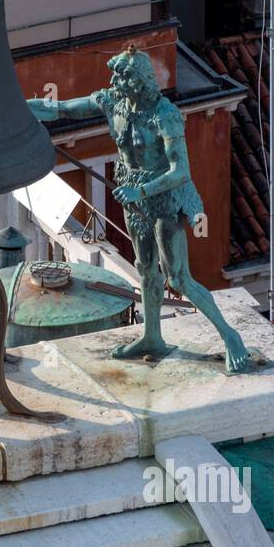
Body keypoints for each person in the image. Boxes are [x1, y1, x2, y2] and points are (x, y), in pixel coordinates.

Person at [27, 47, 250, 373]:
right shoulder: (112, 102)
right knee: (144, 268)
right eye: (115, 76)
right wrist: (22, 108)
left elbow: (180, 171)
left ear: (139, 81)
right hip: (135, 201)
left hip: (163, 200)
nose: (114, 81)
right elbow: (62, 109)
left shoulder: (165, 115)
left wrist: (141, 189)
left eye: (122, 76)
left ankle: (231, 336)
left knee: (178, 278)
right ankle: (151, 337)